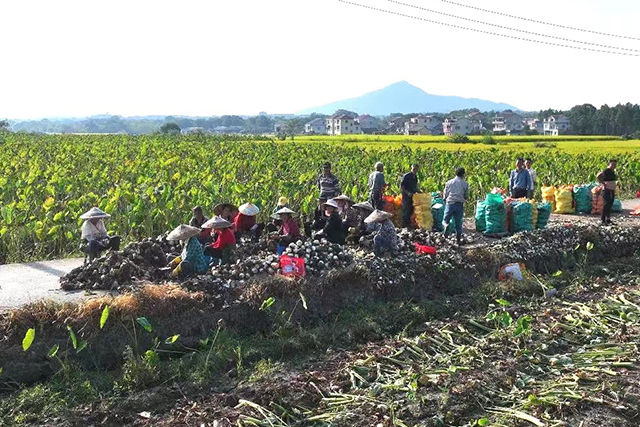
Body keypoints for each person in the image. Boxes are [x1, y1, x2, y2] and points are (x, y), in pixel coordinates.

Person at [443, 167, 469, 246]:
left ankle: (446, 232)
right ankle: (458, 240)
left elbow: (445, 194)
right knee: (458, 223)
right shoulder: (465, 184)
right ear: (463, 174)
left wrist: (445, 200)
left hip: (450, 203)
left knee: (445, 220)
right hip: (459, 204)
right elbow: (466, 196)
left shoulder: (449, 182)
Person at [597, 159, 617, 225]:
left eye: (615, 164)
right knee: (606, 204)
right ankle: (602, 220)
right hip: (607, 190)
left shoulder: (612, 171)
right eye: (612, 164)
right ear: (609, 164)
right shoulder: (606, 171)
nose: (614, 166)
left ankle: (608, 219)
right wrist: (603, 183)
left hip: (611, 189)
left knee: (610, 204)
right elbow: (598, 176)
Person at [400, 164, 420, 228]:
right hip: (406, 196)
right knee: (406, 210)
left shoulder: (415, 177)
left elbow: (415, 187)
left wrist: (420, 192)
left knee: (411, 210)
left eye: (416, 169)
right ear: (411, 168)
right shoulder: (406, 176)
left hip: (413, 196)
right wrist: (407, 193)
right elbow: (402, 186)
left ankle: (408, 225)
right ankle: (404, 226)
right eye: (414, 169)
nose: (415, 170)